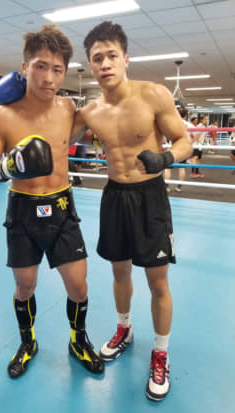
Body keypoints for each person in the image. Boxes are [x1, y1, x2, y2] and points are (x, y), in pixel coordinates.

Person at [72, 21, 192, 401]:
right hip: (114, 197)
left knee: (158, 282)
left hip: (150, 198)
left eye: (111, 56)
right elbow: (54, 131)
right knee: (119, 271)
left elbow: (185, 140)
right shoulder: (89, 112)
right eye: (96, 58)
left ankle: (160, 353)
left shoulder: (154, 95)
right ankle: (124, 329)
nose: (104, 63)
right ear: (91, 66)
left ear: (125, 58)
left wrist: (167, 156)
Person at [0, 24, 104, 379]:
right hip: (22, 208)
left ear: (65, 71)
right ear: (24, 67)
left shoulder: (67, 108)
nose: (49, 77)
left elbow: (99, 126)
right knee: (25, 285)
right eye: (41, 66)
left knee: (79, 286)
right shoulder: (0, 118)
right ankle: (27, 341)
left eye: (57, 69)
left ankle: (78, 341)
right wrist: (5, 167)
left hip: (62, 207)